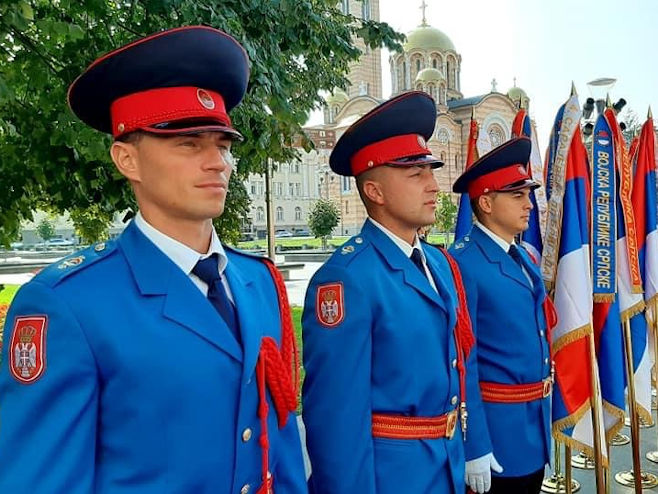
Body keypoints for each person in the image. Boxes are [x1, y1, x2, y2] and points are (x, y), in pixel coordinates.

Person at [0, 26, 307, 494]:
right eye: (189, 144)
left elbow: (279, 444)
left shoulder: (258, 281)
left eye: (223, 145)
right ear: (127, 160)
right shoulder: (69, 304)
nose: (218, 162)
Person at [301, 91, 493, 494]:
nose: (434, 185)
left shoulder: (439, 263)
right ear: (375, 191)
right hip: (392, 478)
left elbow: (460, 361)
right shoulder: (347, 280)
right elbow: (336, 422)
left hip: (445, 467)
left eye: (430, 171)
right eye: (415, 174)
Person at [449, 137, 554, 494]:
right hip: (497, 434)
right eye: (517, 195)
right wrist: (475, 444)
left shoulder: (522, 256)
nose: (529, 204)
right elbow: (463, 359)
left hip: (531, 425)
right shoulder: (463, 263)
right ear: (486, 202)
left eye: (528, 195)